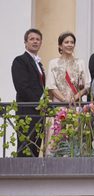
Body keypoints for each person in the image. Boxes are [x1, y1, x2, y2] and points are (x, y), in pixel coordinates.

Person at [11, 28, 45, 157]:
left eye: (38, 39)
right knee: (25, 146)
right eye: (32, 39)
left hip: (38, 112)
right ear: (25, 42)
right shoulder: (20, 61)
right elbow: (22, 87)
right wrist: (38, 103)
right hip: (27, 111)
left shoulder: (39, 63)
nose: (35, 42)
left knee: (35, 145)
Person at [46, 31, 91, 103]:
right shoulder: (53, 63)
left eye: (72, 42)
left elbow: (87, 85)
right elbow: (51, 86)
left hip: (77, 104)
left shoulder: (81, 63)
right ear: (60, 46)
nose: (70, 45)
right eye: (66, 42)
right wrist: (65, 100)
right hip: (59, 105)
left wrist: (76, 97)